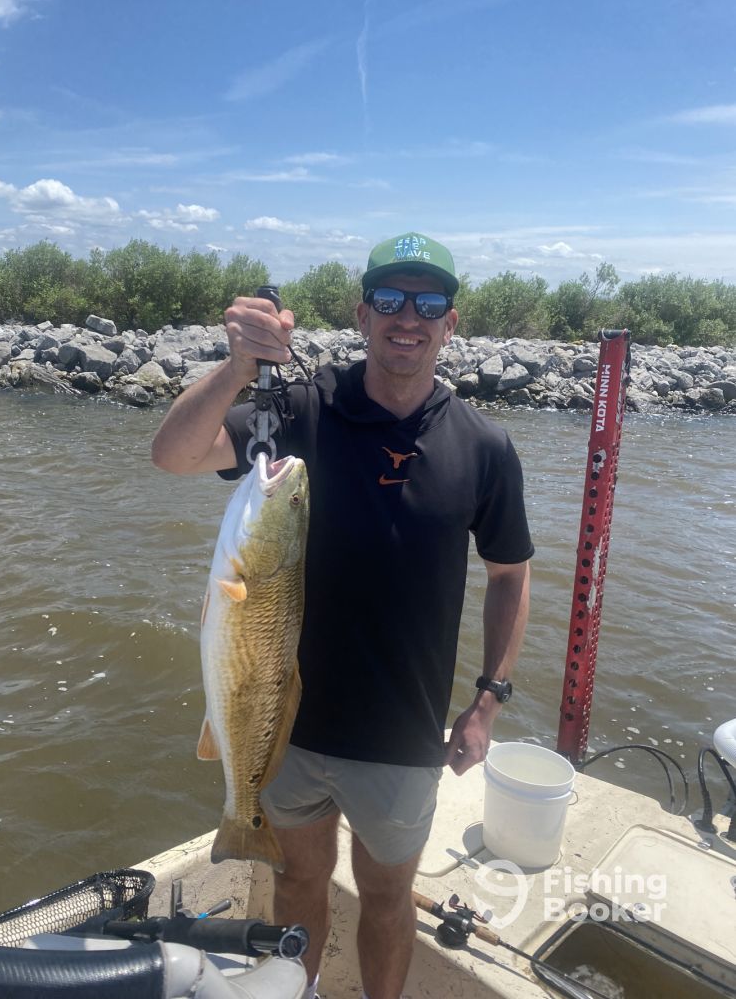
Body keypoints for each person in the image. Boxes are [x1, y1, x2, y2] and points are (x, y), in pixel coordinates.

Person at [151, 231, 533, 999]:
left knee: (389, 900)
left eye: (428, 302)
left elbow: (509, 576)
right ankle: (298, 992)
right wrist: (238, 366)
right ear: (363, 315)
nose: (407, 317)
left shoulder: (484, 445)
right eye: (389, 298)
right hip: (285, 729)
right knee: (298, 883)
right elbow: (174, 455)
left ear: (450, 324)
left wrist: (487, 701)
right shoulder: (300, 409)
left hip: (403, 736)